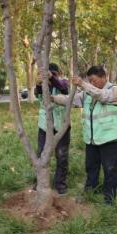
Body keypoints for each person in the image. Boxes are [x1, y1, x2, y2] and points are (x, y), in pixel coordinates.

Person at [53, 65, 117, 204]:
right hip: (91, 138)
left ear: (104, 77)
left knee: (110, 169)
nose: (92, 83)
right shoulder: (86, 94)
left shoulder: (115, 90)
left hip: (109, 138)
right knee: (91, 167)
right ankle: (91, 190)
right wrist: (53, 98)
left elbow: (102, 96)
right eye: (89, 81)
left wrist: (83, 84)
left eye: (94, 80)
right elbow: (70, 100)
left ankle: (109, 197)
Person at [35, 63, 71, 195]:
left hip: (62, 126)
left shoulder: (64, 82)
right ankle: (41, 181)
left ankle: (60, 183)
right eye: (48, 76)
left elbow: (65, 89)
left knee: (62, 156)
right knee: (42, 154)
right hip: (44, 126)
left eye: (53, 75)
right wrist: (39, 84)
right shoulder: (43, 86)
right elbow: (37, 93)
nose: (50, 78)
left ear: (58, 74)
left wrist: (53, 78)